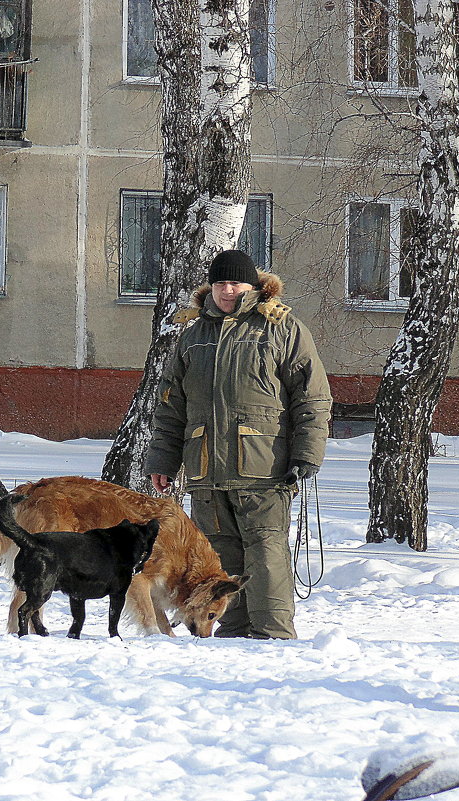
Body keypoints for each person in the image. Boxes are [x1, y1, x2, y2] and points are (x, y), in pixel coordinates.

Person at [144, 249, 331, 639]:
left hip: (264, 468)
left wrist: (307, 453)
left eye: (236, 283)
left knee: (266, 555)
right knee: (221, 556)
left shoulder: (281, 328)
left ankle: (273, 636)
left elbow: (312, 398)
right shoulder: (192, 336)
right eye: (220, 283)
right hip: (206, 468)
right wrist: (163, 459)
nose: (228, 290)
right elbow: (170, 406)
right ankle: (234, 631)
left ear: (253, 285)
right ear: (210, 286)